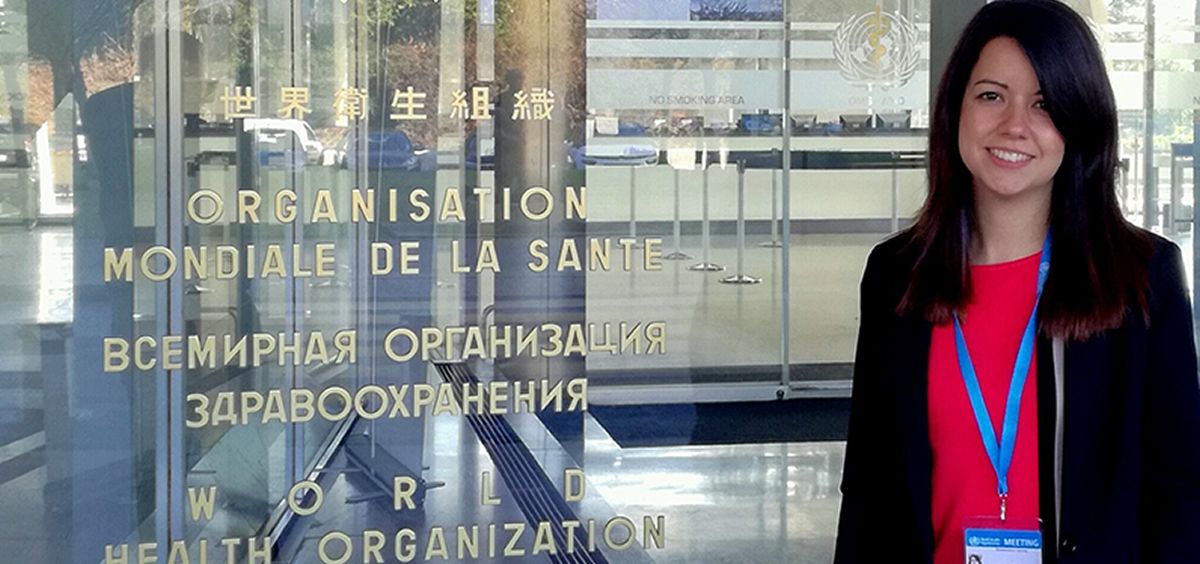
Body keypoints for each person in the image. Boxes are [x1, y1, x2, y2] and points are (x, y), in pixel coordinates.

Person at [832, 1, 1200, 563]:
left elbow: (1178, 498)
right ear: (955, 107)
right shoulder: (897, 274)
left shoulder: (1141, 277)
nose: (1014, 125)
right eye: (991, 95)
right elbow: (869, 489)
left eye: (1044, 104)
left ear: (1080, 120)